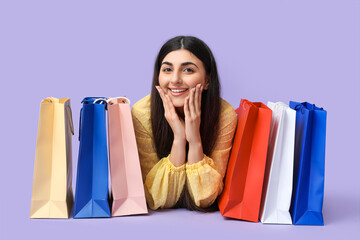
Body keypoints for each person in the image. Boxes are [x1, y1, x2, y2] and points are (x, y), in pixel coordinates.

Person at [131, 36, 237, 211]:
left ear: (207, 80)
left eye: (188, 70)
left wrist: (194, 138)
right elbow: (156, 198)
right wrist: (179, 138)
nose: (175, 80)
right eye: (167, 69)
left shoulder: (224, 115)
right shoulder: (142, 113)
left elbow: (206, 198)